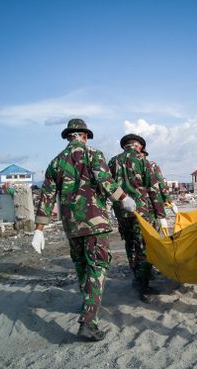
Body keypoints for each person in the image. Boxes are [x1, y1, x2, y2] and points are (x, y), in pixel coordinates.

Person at [31, 118, 136, 342]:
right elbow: (105, 180)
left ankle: (88, 306)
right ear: (85, 136)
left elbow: (47, 197)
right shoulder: (93, 155)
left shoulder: (55, 162)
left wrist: (39, 229)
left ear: (69, 136)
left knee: (81, 268)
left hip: (71, 226)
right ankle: (88, 322)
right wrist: (124, 198)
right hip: (95, 224)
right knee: (96, 269)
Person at [108, 134, 167, 303]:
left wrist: (114, 205)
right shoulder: (142, 160)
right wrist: (161, 214)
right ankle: (144, 285)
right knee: (144, 246)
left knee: (130, 243)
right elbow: (153, 188)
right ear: (139, 146)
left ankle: (136, 275)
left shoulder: (113, 161)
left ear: (125, 146)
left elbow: (107, 185)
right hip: (140, 211)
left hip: (121, 211)